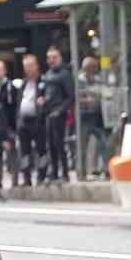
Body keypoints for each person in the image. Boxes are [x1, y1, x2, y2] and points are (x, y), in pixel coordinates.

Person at [41, 46, 75, 183]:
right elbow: (46, 93)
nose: (52, 60)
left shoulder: (65, 74)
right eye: (49, 58)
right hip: (48, 112)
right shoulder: (48, 74)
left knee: (59, 144)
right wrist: (42, 100)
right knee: (51, 145)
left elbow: (71, 97)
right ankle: (54, 172)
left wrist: (60, 110)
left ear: (60, 58)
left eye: (54, 57)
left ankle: (65, 173)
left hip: (58, 113)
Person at [16, 53, 47, 186]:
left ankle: (42, 175)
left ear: (36, 66)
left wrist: (44, 102)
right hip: (24, 122)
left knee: (41, 150)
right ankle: (27, 177)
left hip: (38, 122)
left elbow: (50, 98)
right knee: (25, 152)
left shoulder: (44, 81)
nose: (29, 69)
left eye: (31, 65)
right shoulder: (23, 83)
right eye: (26, 66)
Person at [77, 57, 109, 179]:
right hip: (84, 115)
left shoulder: (98, 80)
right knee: (82, 145)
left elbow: (104, 93)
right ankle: (82, 172)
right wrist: (86, 100)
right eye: (91, 68)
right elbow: (75, 97)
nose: (93, 71)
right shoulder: (79, 81)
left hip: (96, 116)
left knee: (103, 143)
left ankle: (106, 170)